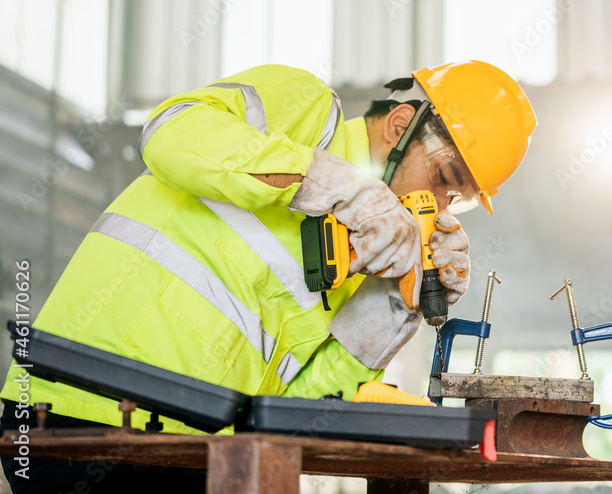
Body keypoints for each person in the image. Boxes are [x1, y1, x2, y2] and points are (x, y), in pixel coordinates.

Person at [0, 60, 537, 492]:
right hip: (77, 413)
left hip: (197, 449)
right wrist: (337, 185)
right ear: (401, 127)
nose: (440, 203)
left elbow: (301, 407)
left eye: (456, 200)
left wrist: (394, 304)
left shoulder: (363, 260)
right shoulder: (308, 113)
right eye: (444, 178)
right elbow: (171, 132)